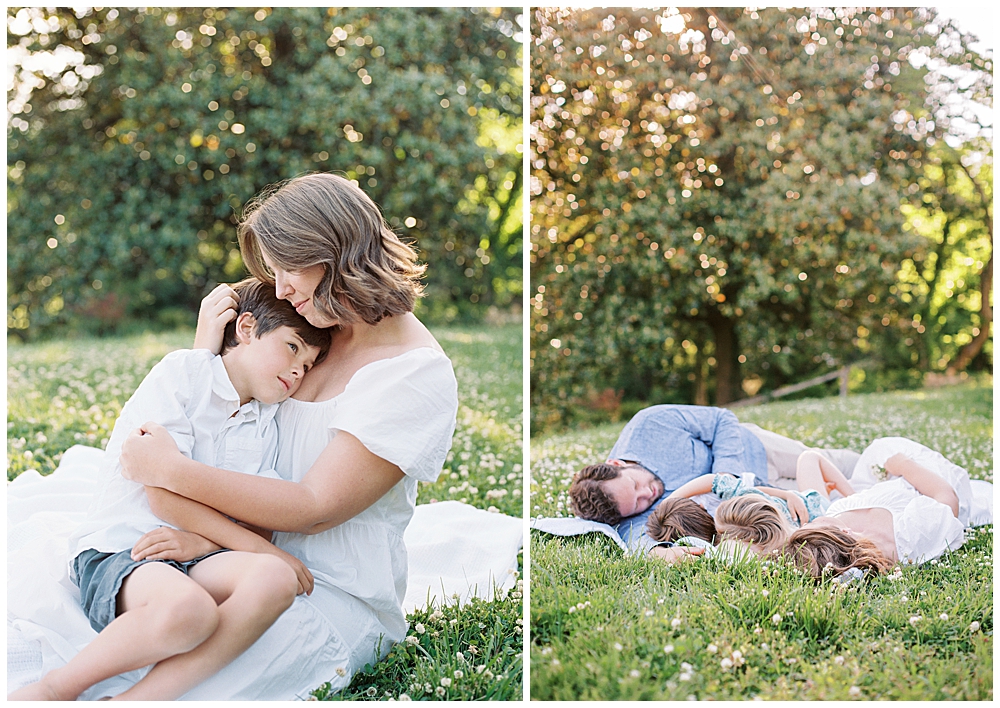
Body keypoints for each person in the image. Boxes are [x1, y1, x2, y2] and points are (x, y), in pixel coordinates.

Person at [115, 173, 459, 700]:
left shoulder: (413, 373)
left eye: (287, 269)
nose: (280, 290)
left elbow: (315, 506)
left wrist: (171, 471)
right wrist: (205, 353)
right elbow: (227, 431)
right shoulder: (313, 333)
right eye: (270, 275)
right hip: (228, 555)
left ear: (332, 250)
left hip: (329, 590)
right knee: (109, 626)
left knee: (194, 686)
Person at [9, 280, 330, 701]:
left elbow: (259, 518)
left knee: (274, 580)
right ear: (247, 328)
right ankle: (55, 689)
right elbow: (161, 489)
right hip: (126, 548)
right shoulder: (183, 373)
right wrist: (260, 549)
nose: (297, 371)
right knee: (190, 611)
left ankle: (133, 702)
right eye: (292, 348)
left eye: (307, 365)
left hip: (196, 554)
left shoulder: (267, 420)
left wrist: (203, 543)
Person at [567, 404, 861, 555]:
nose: (649, 494)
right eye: (639, 503)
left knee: (835, 464)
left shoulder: (650, 423)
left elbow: (721, 420)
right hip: (761, 501)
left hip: (754, 448)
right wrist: (658, 554)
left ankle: (873, 462)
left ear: (616, 463)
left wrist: (728, 475)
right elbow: (635, 536)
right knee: (824, 504)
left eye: (636, 485)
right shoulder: (627, 511)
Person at [785, 437, 974, 577]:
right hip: (926, 477)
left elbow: (810, 458)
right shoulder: (906, 537)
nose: (813, 518)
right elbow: (947, 498)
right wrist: (903, 466)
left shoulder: (835, 518)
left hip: (885, 479)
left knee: (880, 450)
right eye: (813, 522)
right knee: (889, 450)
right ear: (844, 532)